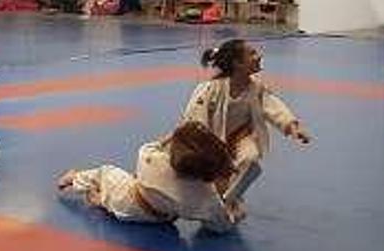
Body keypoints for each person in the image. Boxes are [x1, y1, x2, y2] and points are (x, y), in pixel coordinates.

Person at [183, 39, 310, 207]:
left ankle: (230, 197)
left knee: (250, 160)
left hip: (241, 137)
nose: (259, 56)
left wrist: (292, 126)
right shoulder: (211, 89)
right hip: (212, 142)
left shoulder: (256, 88)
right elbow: (194, 118)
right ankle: (218, 197)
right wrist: (194, 144)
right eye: (252, 53)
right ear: (238, 64)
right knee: (214, 179)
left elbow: (273, 106)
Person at [57, 122, 243, 232]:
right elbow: (221, 225)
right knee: (143, 192)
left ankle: (74, 179)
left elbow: (153, 146)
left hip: (128, 202)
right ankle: (103, 201)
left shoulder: (152, 159)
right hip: (160, 218)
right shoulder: (207, 198)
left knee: (106, 172)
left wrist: (172, 135)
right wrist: (235, 210)